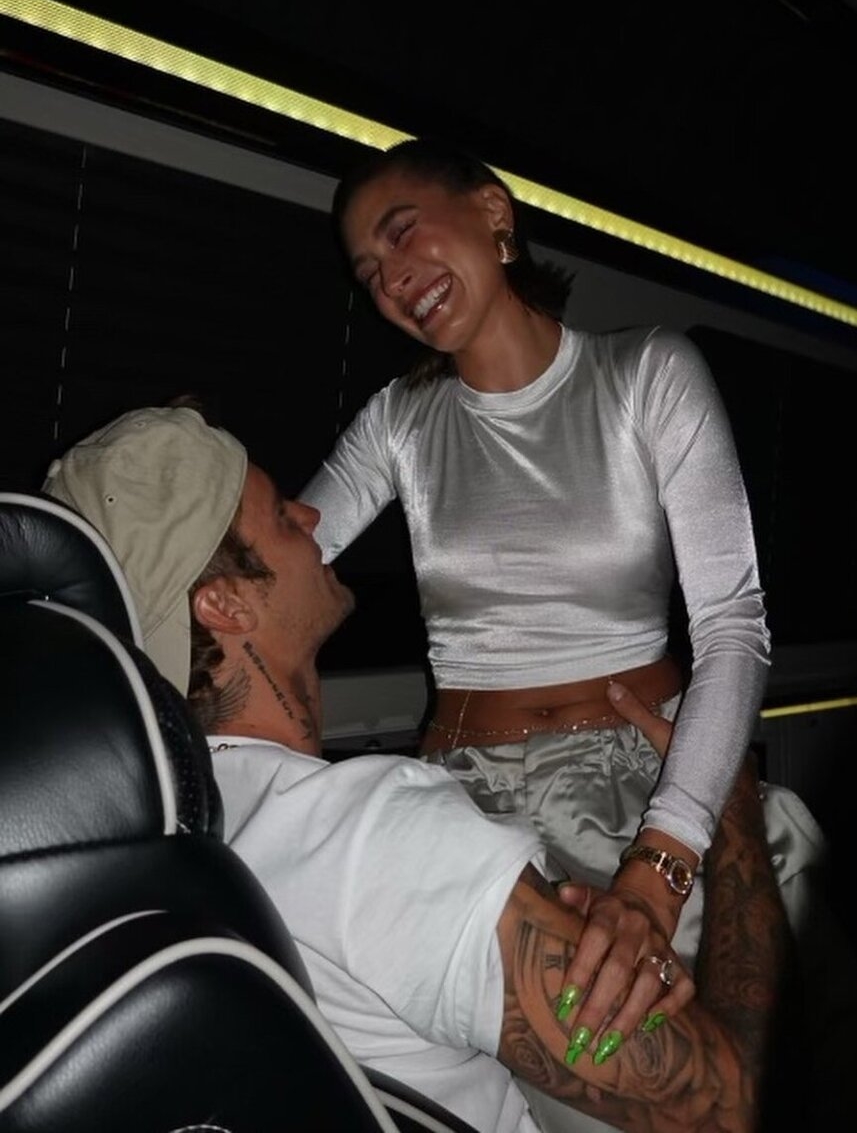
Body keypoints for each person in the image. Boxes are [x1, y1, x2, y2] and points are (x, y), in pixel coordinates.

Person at [42, 403, 793, 1133]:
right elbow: (730, 1108)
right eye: (280, 517)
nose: (312, 517)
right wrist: (732, 818)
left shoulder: (165, 839)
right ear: (225, 606)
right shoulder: (368, 839)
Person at [299, 137, 824, 1009]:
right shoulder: (399, 423)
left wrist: (664, 858)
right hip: (469, 800)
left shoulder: (646, 372)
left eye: (401, 233)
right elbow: (281, 558)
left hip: (647, 782)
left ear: (492, 213)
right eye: (368, 273)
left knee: (735, 1053)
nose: (391, 279)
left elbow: (732, 624)